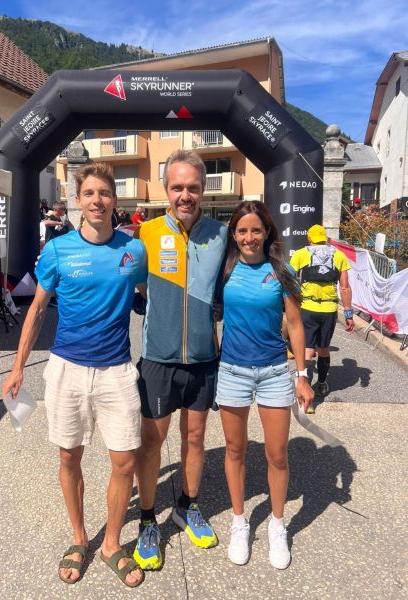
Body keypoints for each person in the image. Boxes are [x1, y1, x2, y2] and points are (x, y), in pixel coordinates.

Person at [2, 163, 147, 588]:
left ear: (114, 200)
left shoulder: (134, 250)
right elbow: (37, 309)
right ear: (78, 201)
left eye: (105, 193)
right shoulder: (58, 250)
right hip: (67, 368)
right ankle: (80, 538)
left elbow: (147, 297)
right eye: (90, 193)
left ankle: (111, 544)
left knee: (125, 460)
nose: (98, 200)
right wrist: (17, 367)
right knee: (69, 456)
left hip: (116, 370)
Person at [132, 150, 228, 570]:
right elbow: (131, 287)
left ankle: (188, 506)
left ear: (203, 189)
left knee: (195, 439)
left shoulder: (221, 234)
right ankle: (147, 520)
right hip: (158, 358)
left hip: (204, 359)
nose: (185, 195)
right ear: (166, 190)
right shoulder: (147, 233)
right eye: (177, 187)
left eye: (192, 187)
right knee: (152, 442)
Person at [215, 200, 314, 569]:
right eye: (242, 230)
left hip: (273, 372)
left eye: (256, 230)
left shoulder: (280, 270)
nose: (249, 237)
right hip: (232, 371)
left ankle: (277, 524)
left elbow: (296, 324)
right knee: (235, 450)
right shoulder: (224, 269)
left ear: (267, 231)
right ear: (233, 234)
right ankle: (239, 523)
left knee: (277, 454)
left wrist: (302, 375)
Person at [290, 224, 354, 412]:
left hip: (307, 307)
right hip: (329, 310)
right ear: (325, 238)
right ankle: (322, 384)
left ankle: (307, 396)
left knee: (308, 351)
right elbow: (344, 287)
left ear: (309, 239)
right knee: (324, 349)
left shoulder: (300, 254)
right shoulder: (339, 255)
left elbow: (289, 280)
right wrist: (348, 313)